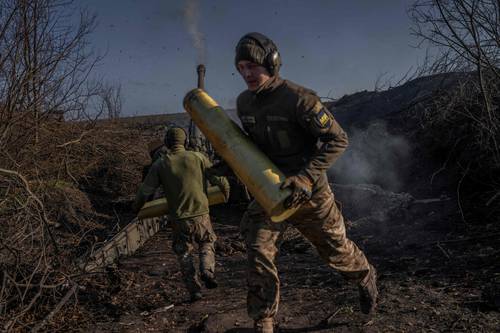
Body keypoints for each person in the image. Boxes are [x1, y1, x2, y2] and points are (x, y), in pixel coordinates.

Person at [233, 32, 378, 332]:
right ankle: (264, 320)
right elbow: (253, 146)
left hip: (309, 193)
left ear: (272, 64)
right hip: (270, 192)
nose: (246, 74)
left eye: (252, 66)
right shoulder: (244, 103)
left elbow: (338, 140)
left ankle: (364, 275)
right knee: (258, 250)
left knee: (336, 252)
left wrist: (306, 176)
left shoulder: (299, 99)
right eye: (241, 67)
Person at [134, 127, 229, 302]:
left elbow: (145, 191)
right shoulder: (198, 157)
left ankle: (195, 291)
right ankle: (207, 271)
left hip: (178, 219)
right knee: (207, 242)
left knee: (184, 253)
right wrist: (225, 192)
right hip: (201, 215)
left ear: (168, 143)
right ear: (184, 141)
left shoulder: (160, 164)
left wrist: (137, 208)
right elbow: (219, 178)